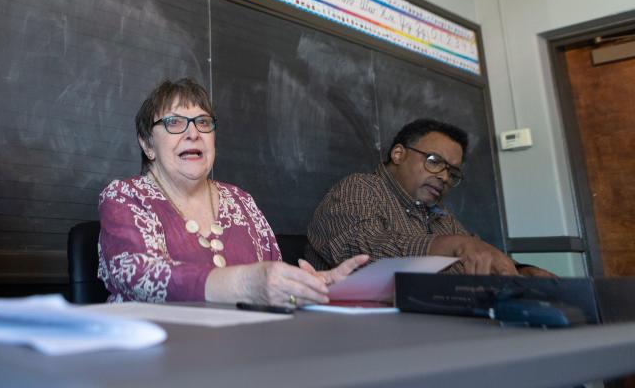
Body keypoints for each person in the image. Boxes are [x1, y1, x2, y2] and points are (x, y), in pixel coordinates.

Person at [98, 78, 367, 307]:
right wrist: (245, 284)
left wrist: (307, 287)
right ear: (147, 145)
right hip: (159, 356)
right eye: (175, 122)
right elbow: (142, 277)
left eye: (203, 122)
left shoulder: (241, 201)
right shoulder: (125, 197)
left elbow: (270, 277)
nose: (193, 133)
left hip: (248, 350)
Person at [306, 118, 553, 277]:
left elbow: (474, 258)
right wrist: (454, 246)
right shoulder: (360, 188)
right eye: (435, 162)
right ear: (399, 154)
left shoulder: (441, 217)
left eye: (452, 172)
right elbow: (367, 254)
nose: (445, 177)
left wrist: (522, 272)